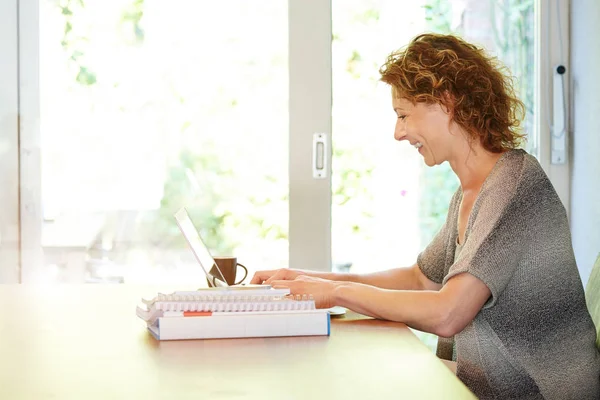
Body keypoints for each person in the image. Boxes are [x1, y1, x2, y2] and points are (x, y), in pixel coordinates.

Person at [250, 33, 600, 399]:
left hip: (538, 393)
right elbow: (422, 280)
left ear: (446, 102)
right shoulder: (470, 192)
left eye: (403, 115)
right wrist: (310, 280)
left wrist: (337, 292)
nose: (398, 132)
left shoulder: (514, 184)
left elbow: (449, 312)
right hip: (497, 384)